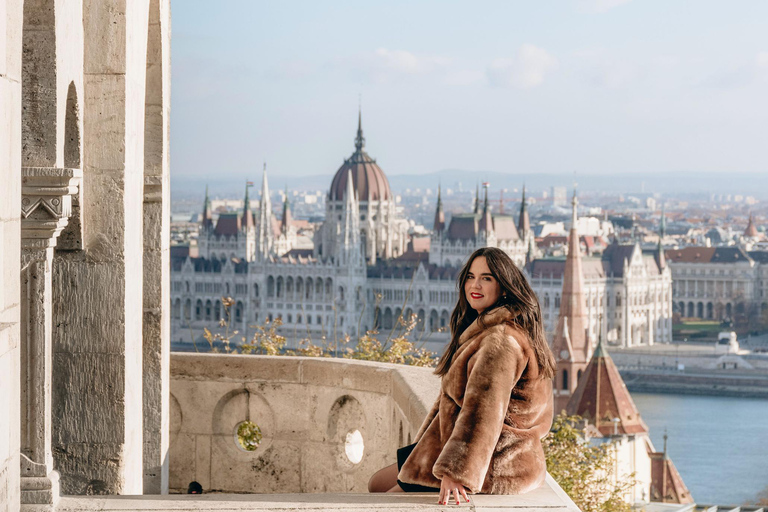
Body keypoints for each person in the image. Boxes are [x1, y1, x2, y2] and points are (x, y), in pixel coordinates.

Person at [368, 247, 556, 505]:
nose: (474, 285)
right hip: (468, 449)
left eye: (486, 278)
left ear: (504, 287)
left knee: (384, 502)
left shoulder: (499, 341)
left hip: (494, 463)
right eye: (470, 276)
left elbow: (483, 412)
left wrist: (457, 473)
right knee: (376, 483)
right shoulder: (495, 329)